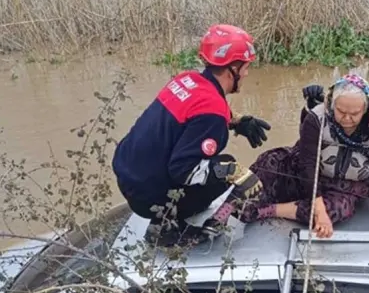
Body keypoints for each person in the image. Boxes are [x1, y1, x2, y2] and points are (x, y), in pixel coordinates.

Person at [111, 23, 272, 245]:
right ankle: (167, 229)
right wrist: (235, 172)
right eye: (245, 67)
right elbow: (182, 170)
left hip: (130, 178)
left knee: (218, 167)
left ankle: (171, 211)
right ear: (232, 69)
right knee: (228, 170)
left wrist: (236, 121)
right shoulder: (212, 113)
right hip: (148, 198)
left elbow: (192, 113)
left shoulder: (186, 80)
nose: (246, 73)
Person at [212, 72, 369, 238]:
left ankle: (266, 211)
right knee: (269, 161)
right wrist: (317, 210)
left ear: (366, 108)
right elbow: (307, 165)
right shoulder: (316, 119)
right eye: (340, 111)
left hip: (346, 187)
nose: (346, 119)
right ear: (331, 104)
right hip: (308, 174)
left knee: (336, 211)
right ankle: (227, 207)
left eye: (354, 114)